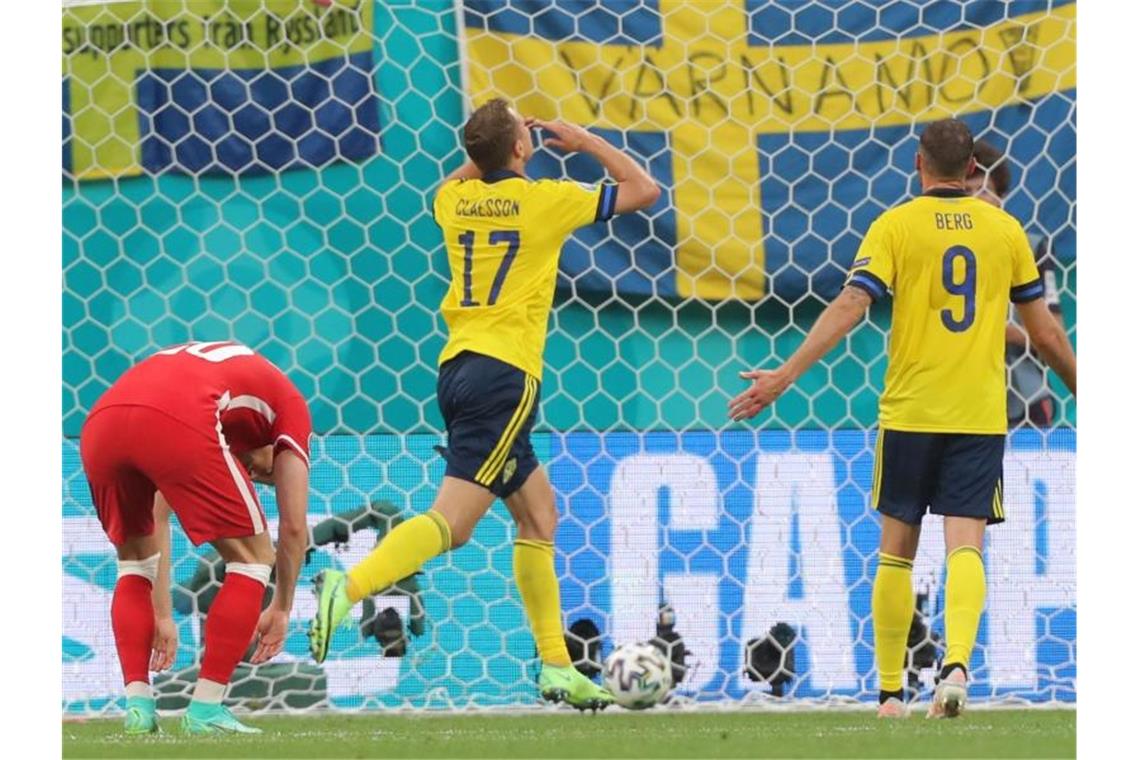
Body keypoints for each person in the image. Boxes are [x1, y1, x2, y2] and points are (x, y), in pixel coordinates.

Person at [307, 98, 660, 710]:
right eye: (525, 133)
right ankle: (350, 585)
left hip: (458, 367)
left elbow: (461, 175)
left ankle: (556, 667)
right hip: (506, 376)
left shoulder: (454, 202)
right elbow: (644, 188)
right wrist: (583, 140)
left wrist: (492, 145)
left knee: (539, 516)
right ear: (523, 149)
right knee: (455, 524)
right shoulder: (547, 200)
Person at [728, 119, 1076, 719]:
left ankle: (891, 696)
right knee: (966, 542)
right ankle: (958, 666)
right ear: (973, 171)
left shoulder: (895, 225)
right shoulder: (1006, 230)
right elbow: (1043, 332)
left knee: (897, 550)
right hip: (978, 412)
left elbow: (852, 303)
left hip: (911, 410)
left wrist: (786, 375)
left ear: (919, 164)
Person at [80, 340, 312, 735]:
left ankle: (138, 706)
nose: (256, 477)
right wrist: (281, 607)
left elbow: (158, 517)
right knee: (253, 558)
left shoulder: (219, 383)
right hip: (175, 416)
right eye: (268, 475)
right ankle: (205, 709)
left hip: (102, 420)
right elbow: (293, 527)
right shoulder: (291, 410)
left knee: (134, 564)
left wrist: (163, 614)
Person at [965, 139, 1069, 428]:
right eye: (967, 192)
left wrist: (1008, 333)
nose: (977, 199)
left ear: (1001, 196)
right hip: (961, 400)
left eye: (984, 189)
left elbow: (1054, 335)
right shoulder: (940, 253)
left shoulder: (1031, 248)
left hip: (1024, 399)